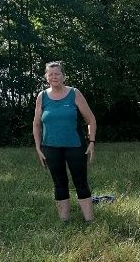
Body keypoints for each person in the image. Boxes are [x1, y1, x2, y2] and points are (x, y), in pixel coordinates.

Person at [33, 61, 97, 223]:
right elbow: (36, 124)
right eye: (51, 74)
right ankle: (64, 221)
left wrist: (91, 141)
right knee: (59, 183)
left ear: (63, 76)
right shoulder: (42, 96)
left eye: (57, 73)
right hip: (50, 148)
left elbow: (91, 120)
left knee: (80, 182)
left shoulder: (74, 93)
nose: (54, 77)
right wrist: (38, 148)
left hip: (75, 146)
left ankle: (89, 221)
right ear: (46, 77)